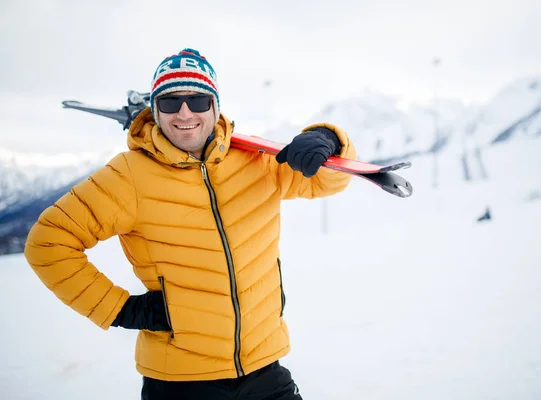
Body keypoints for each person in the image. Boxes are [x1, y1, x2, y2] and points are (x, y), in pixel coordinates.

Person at [24, 48, 356, 399]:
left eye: (197, 100)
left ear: (215, 106)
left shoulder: (255, 162)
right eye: (170, 102)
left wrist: (329, 140)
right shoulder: (128, 176)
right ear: (155, 111)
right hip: (180, 380)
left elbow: (324, 181)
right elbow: (48, 242)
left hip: (265, 368)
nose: (185, 112)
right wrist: (121, 309)